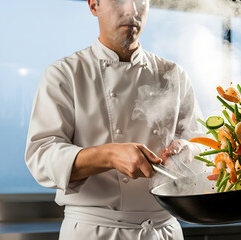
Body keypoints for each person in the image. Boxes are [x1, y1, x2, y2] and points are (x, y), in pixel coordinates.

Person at [25, 0, 203, 239]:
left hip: (163, 230)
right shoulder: (65, 74)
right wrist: (108, 155)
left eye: (141, 0)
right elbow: (42, 157)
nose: (131, 10)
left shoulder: (173, 75)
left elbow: (203, 147)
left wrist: (189, 149)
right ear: (93, 6)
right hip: (95, 231)